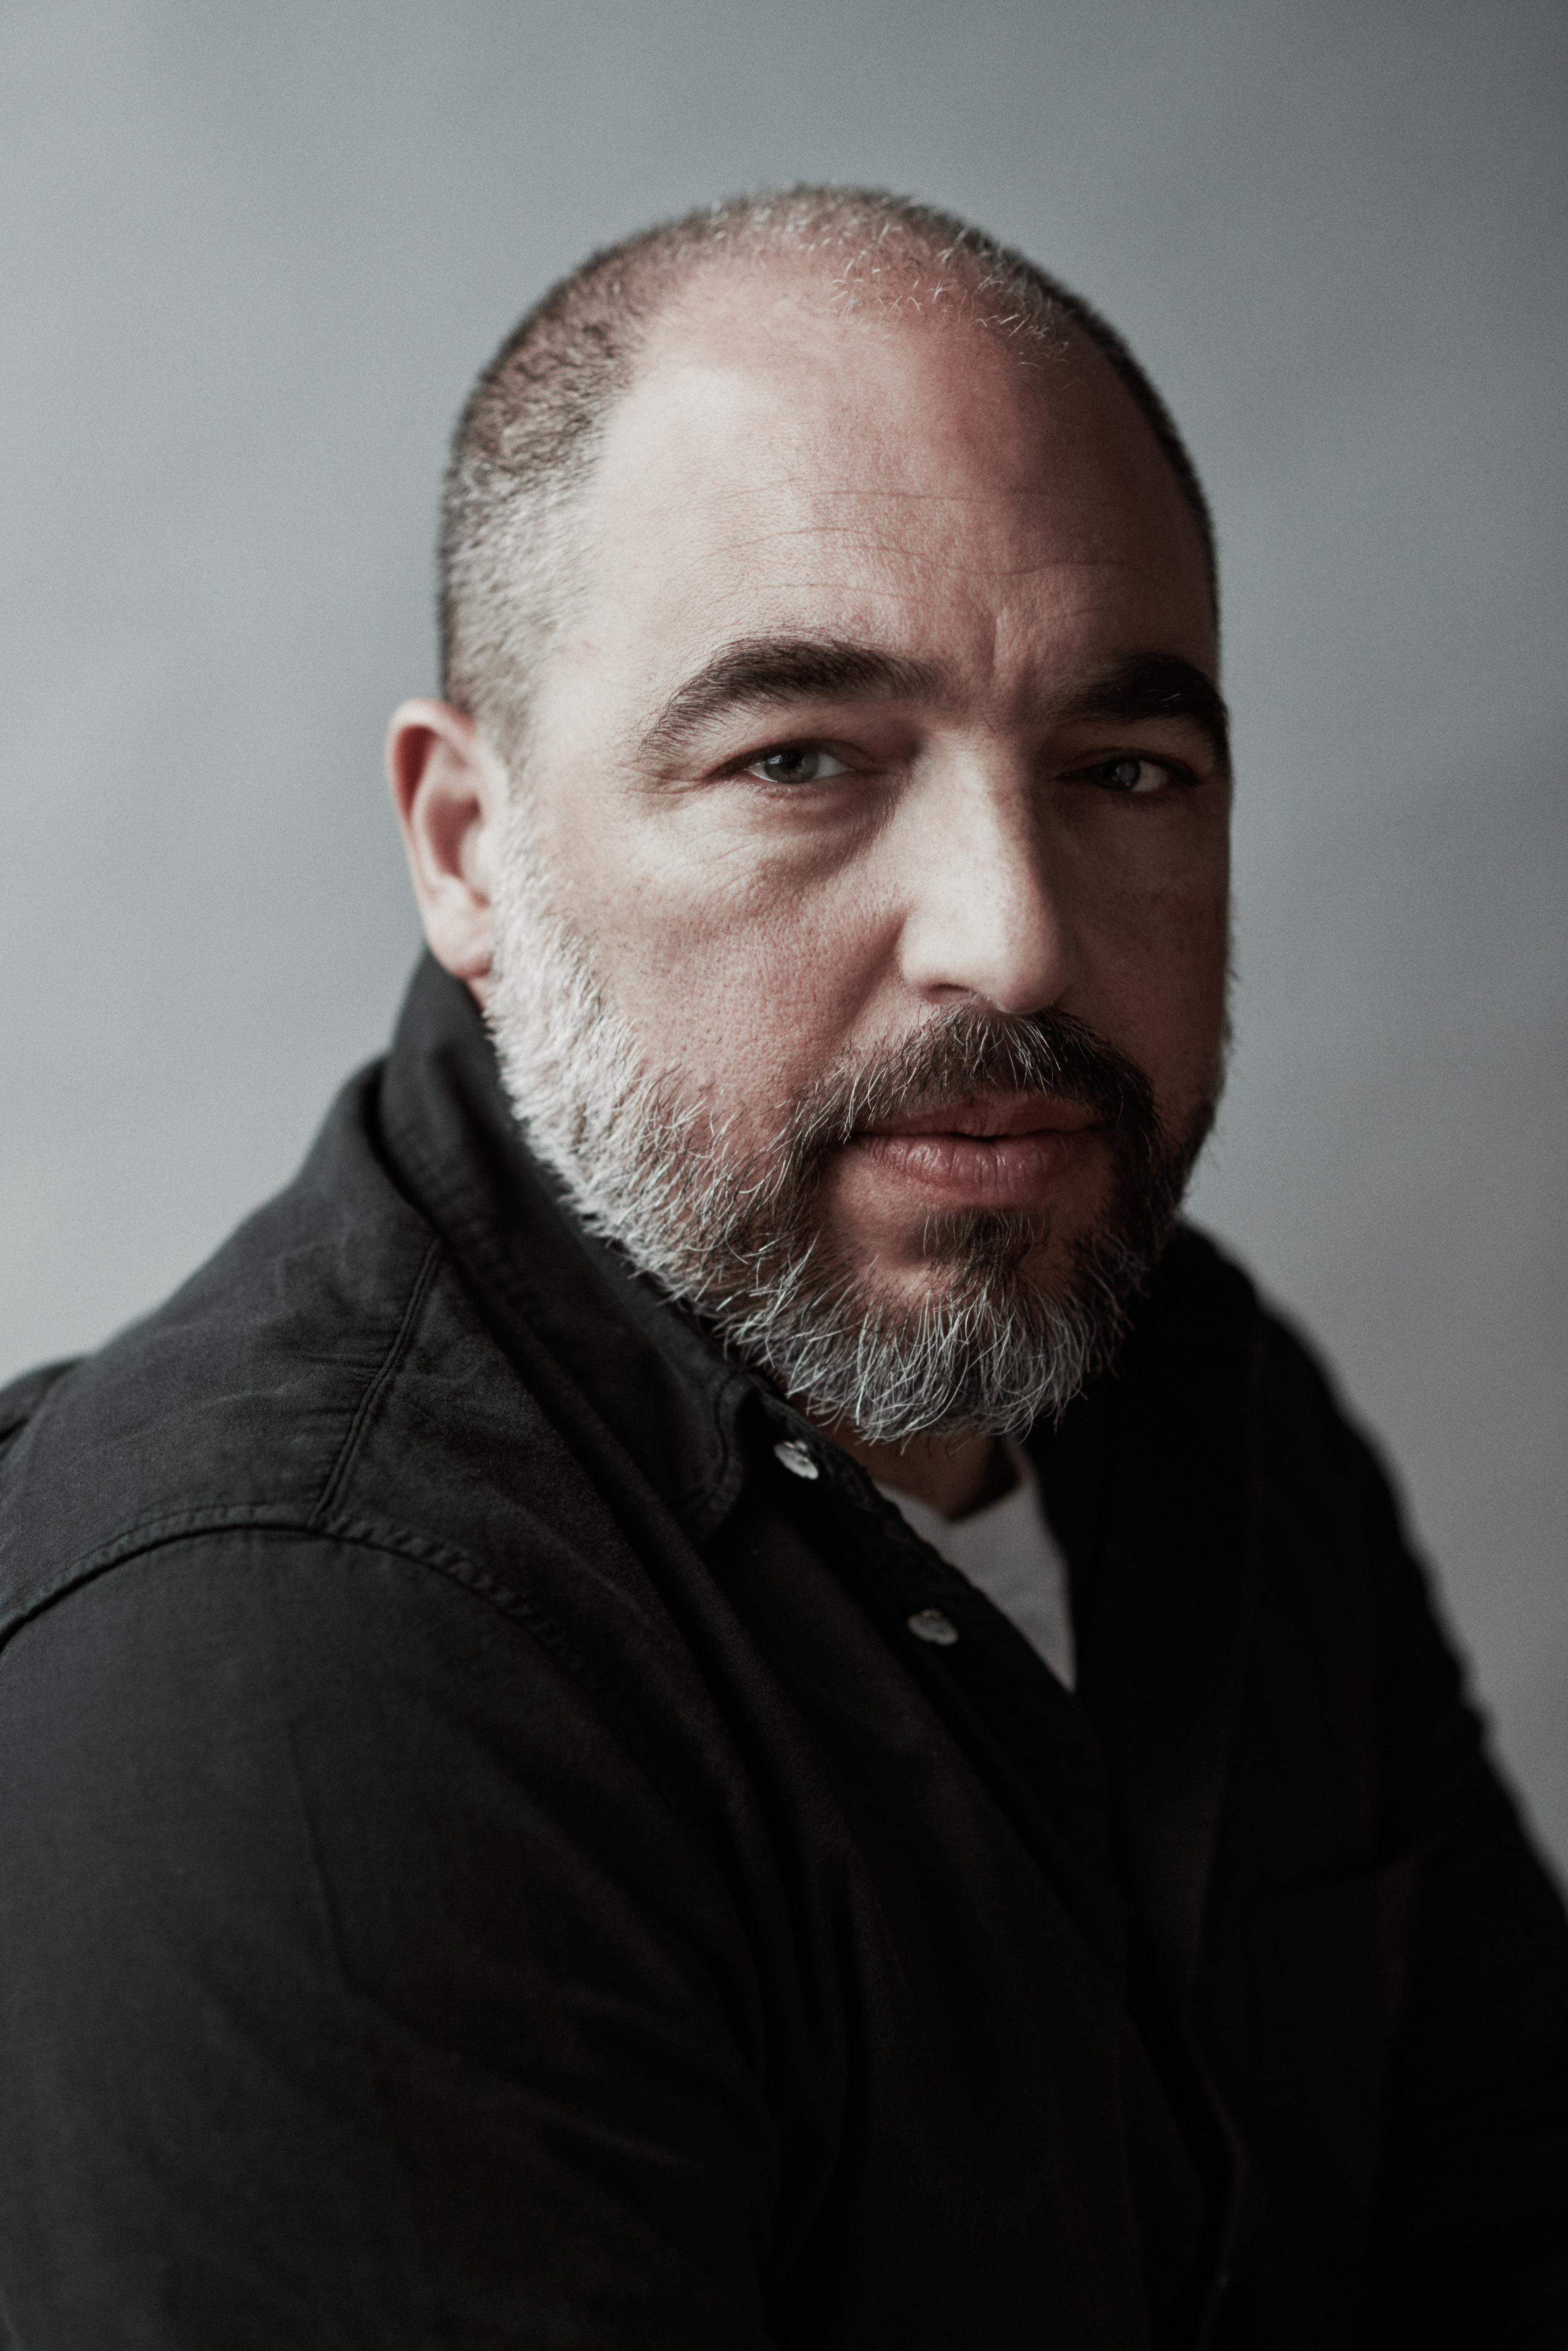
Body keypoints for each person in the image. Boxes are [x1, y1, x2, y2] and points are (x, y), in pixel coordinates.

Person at [0, 187, 1562, 2350]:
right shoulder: (293, 1686)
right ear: (472, 845)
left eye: (1125, 770)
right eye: (803, 761)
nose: (1013, 937)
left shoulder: (1188, 1377)